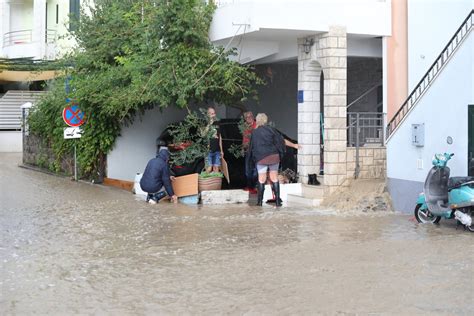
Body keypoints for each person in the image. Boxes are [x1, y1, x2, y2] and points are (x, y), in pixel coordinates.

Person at [248, 113, 286, 207]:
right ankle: (277, 201)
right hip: (274, 156)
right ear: (266, 120)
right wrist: (281, 154)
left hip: (261, 157)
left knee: (261, 179)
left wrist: (251, 158)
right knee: (274, 178)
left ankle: (259, 202)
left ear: (257, 120)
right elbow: (280, 142)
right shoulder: (272, 130)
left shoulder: (255, 132)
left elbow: (252, 147)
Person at [242, 111, 257, 193]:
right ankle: (249, 186)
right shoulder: (244, 127)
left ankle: (254, 186)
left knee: (255, 169)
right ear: (245, 119)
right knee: (248, 170)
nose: (249, 118)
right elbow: (244, 139)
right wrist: (242, 147)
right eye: (247, 117)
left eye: (251, 116)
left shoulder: (256, 125)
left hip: (255, 151)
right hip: (247, 151)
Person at [205, 107, 224, 173]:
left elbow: (220, 137)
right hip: (208, 150)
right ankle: (206, 181)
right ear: (208, 114)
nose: (213, 115)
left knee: (216, 170)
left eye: (214, 113)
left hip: (217, 150)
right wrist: (209, 123)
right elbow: (203, 134)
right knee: (209, 169)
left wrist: (221, 150)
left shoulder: (217, 123)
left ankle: (214, 183)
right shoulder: (205, 123)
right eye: (211, 114)